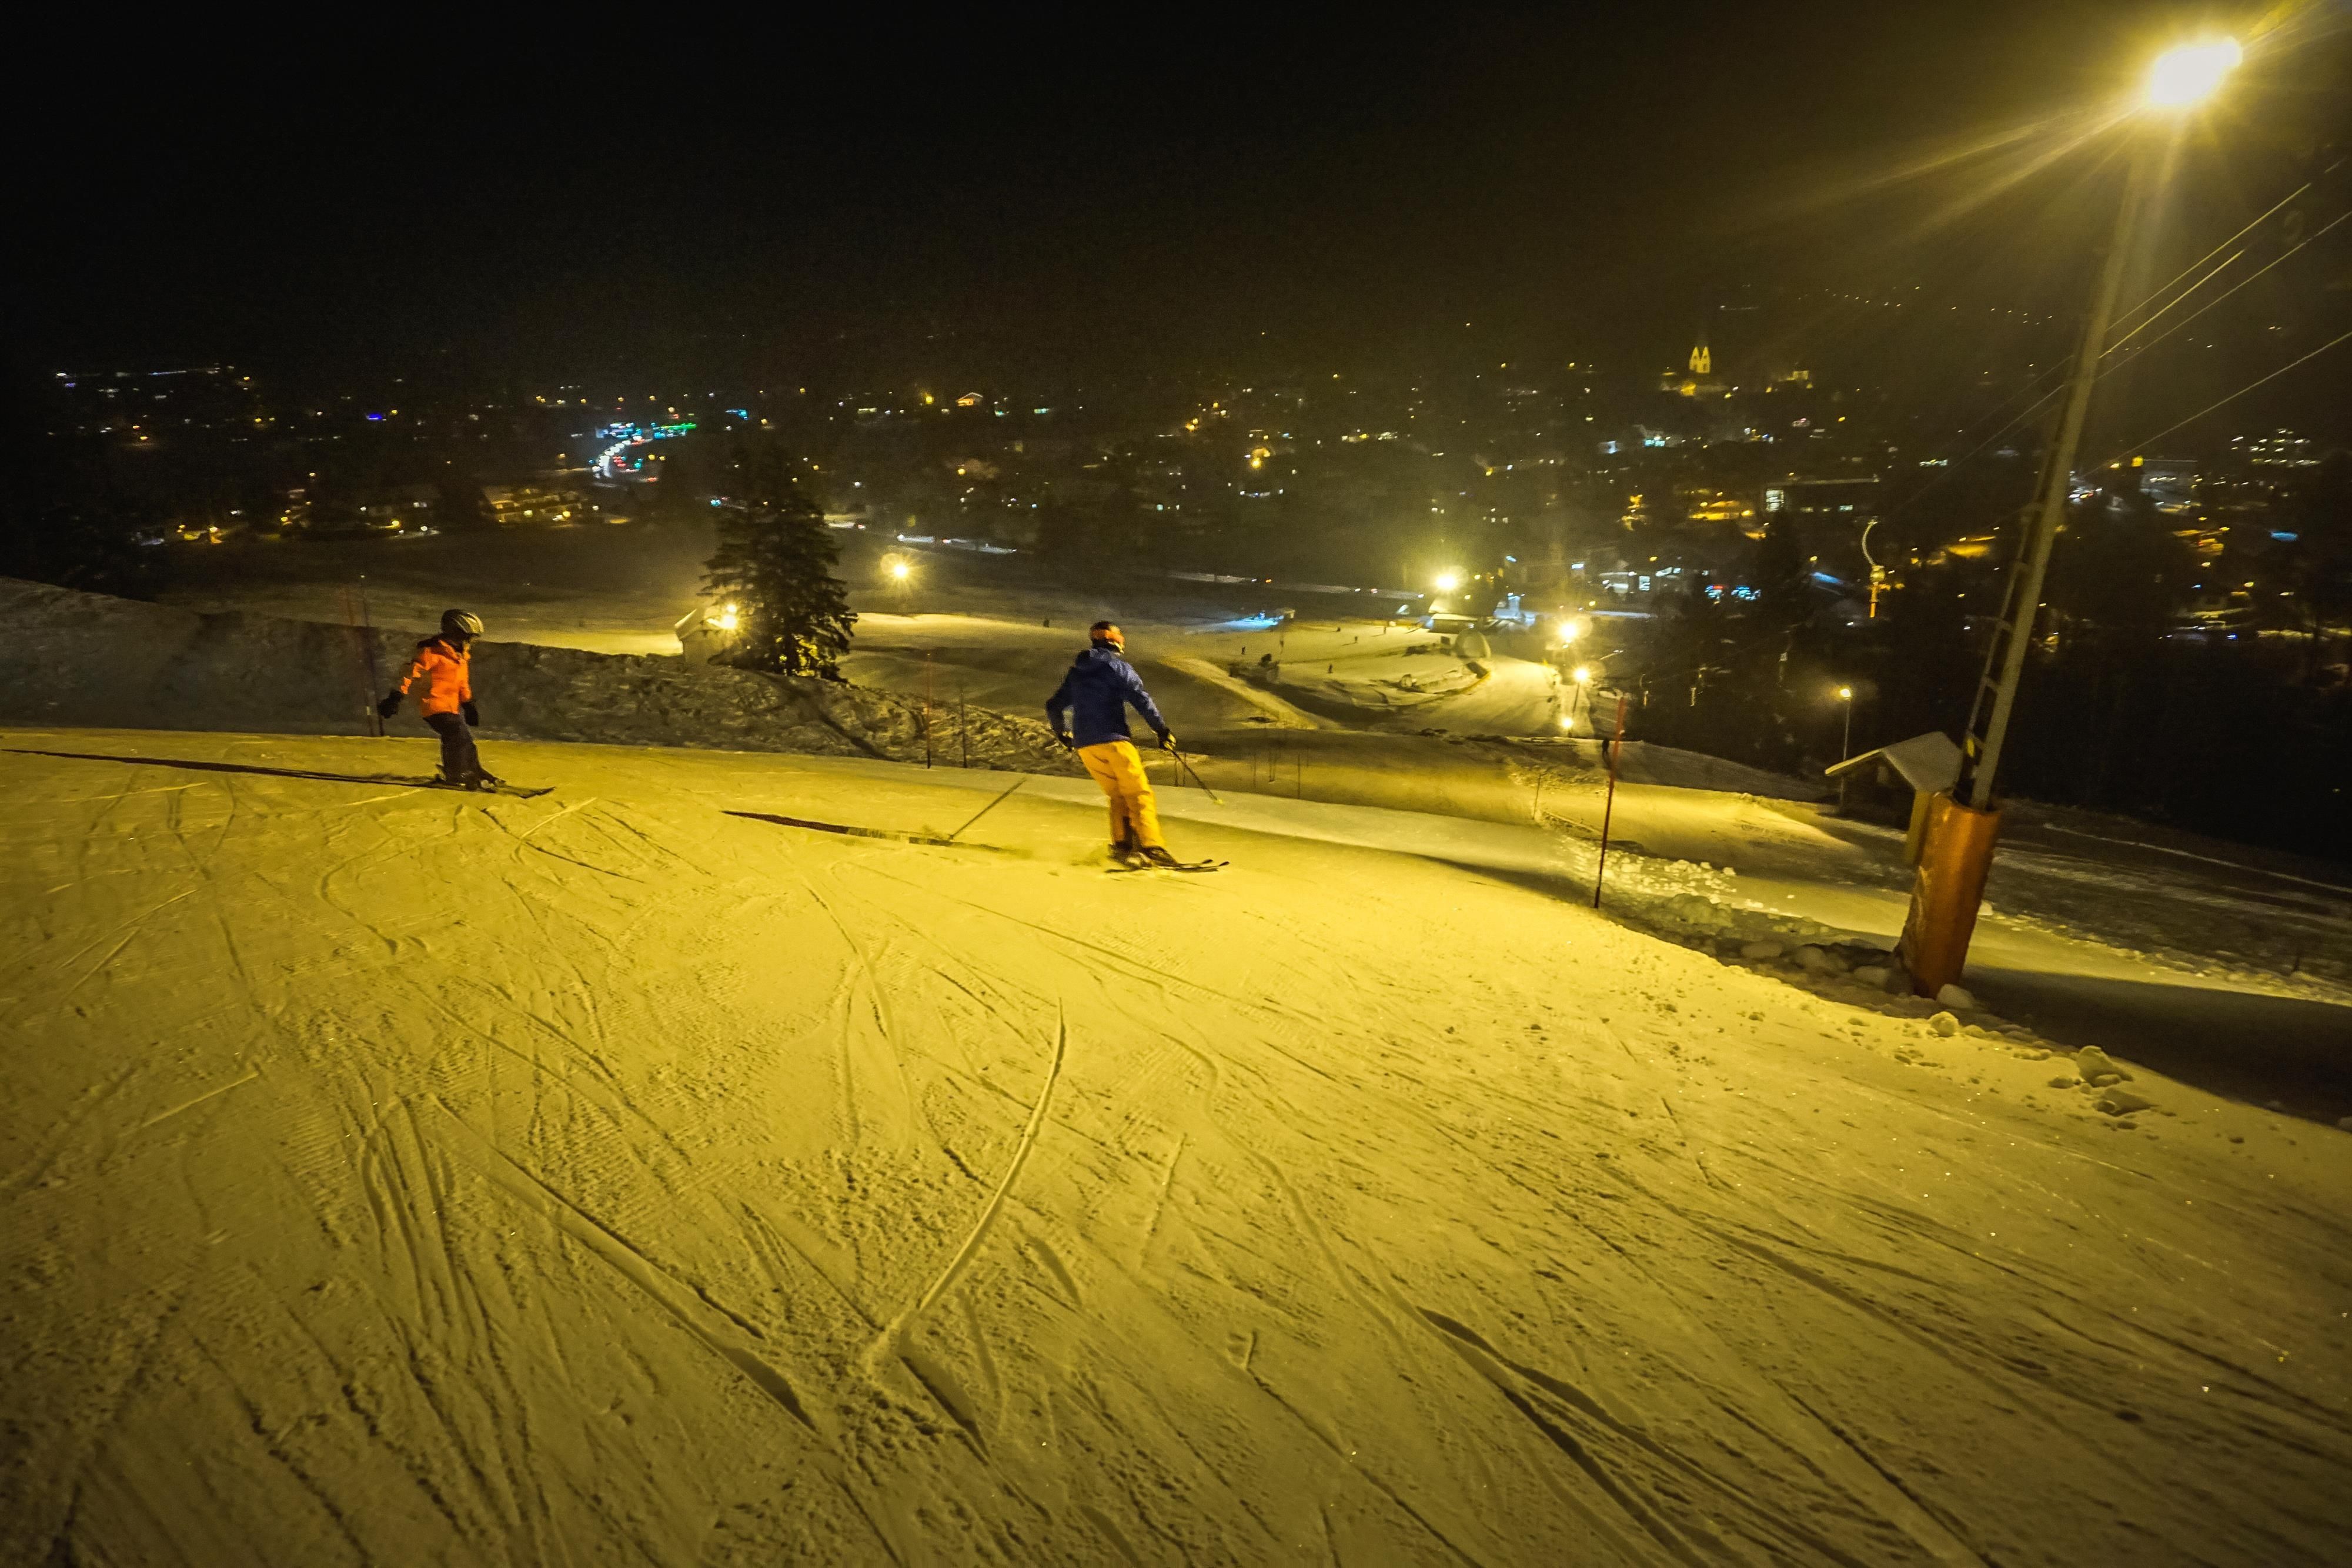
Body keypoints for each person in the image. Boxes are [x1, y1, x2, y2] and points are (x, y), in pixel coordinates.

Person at [1047, 621, 1182, 867]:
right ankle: (1151, 847)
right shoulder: (1117, 667)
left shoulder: (1077, 672)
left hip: (1087, 746)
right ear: (1114, 640)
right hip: (1114, 740)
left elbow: (1054, 705)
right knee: (1138, 794)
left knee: (1118, 795)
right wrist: (1162, 731)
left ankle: (1124, 847)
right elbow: (1141, 699)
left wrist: (1063, 733)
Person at [377, 609, 497, 788]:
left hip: (451, 707)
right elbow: (409, 674)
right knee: (457, 736)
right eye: (469, 637)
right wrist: (395, 697)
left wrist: (468, 705)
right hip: (433, 704)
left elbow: (462, 683)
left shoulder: (460, 656)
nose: (472, 641)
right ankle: (456, 774)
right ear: (457, 632)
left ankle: (474, 770)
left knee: (465, 739)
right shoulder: (431, 652)